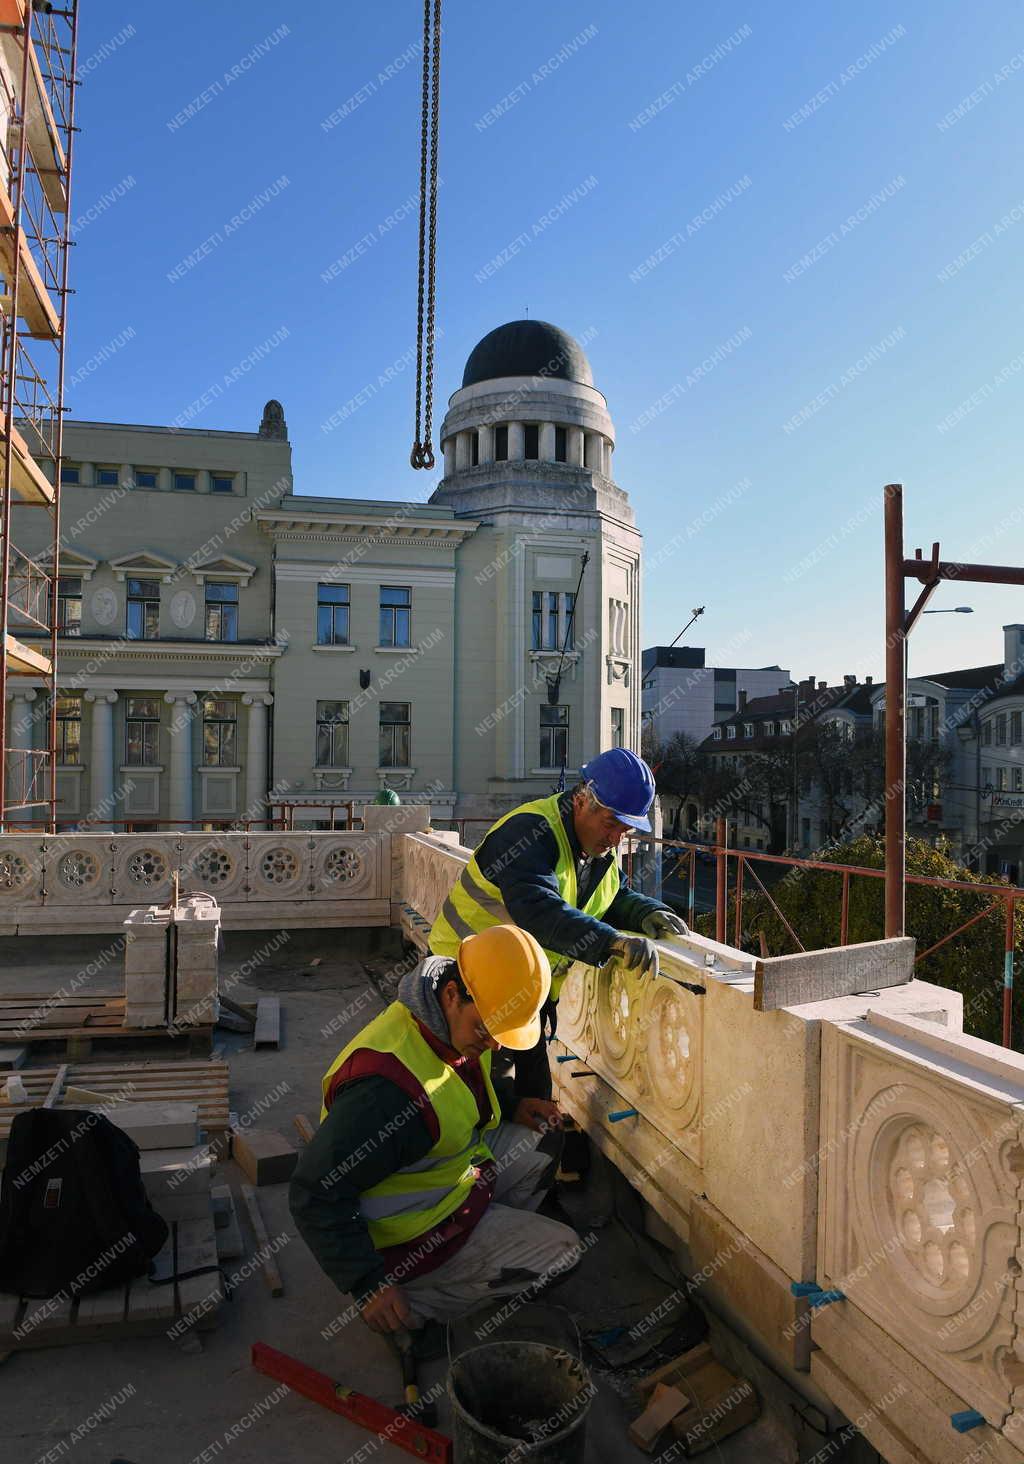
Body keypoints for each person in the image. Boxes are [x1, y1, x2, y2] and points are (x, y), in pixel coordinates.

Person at [289, 925, 580, 1337]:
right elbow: (312, 1192)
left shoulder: (442, 1021)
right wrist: (366, 1283)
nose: (496, 1046)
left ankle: (489, 1236)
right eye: (488, 1029)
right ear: (452, 995)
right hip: (406, 1237)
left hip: (456, 1181)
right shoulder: (385, 1094)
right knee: (564, 1254)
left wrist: (513, 1104)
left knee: (546, 1134)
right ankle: (417, 1305)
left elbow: (456, 1080)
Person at [429, 748, 688, 1098]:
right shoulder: (530, 832)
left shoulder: (597, 848)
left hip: (523, 990)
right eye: (611, 824)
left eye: (625, 831)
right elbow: (539, 911)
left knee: (531, 1096)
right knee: (462, 1092)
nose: (615, 840)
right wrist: (612, 942)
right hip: (465, 981)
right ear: (581, 800)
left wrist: (644, 912)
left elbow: (610, 896)